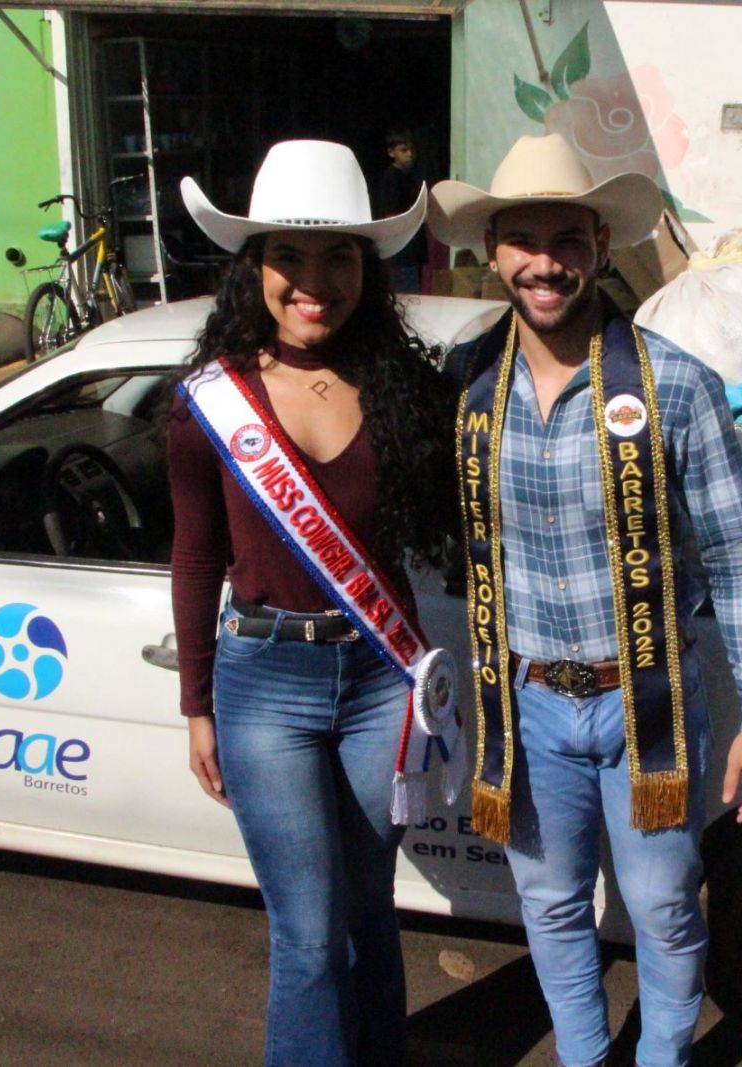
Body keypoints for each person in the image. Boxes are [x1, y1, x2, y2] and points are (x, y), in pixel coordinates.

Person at [428, 134, 742, 1067]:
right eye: (522, 239)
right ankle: (587, 1057)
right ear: (493, 249)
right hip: (525, 706)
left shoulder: (674, 384)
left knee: (665, 904)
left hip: (647, 704)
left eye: (567, 237)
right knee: (550, 905)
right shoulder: (467, 383)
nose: (545, 262)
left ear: (597, 241)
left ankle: (662, 1058)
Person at [169, 140, 457, 1066]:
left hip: (381, 680)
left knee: (372, 908)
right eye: (290, 255)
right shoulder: (208, 404)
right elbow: (195, 556)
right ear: (253, 266)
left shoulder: (405, 387)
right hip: (266, 684)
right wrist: (197, 703)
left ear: (368, 270)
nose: (314, 280)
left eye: (339, 256)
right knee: (307, 931)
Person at [372, 128, 429, 294]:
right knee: (406, 297)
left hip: (414, 250)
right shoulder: (391, 178)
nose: (410, 154)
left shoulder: (410, 177)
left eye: (412, 149)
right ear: (391, 152)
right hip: (402, 252)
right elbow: (391, 216)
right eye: (403, 150)